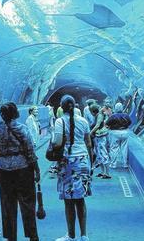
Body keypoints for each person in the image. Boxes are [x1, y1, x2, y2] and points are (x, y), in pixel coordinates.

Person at [0, 102, 40, 241]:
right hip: (23, 169)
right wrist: (36, 169)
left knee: (7, 206)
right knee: (27, 204)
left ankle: (11, 237)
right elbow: (30, 151)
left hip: (3, 170)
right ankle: (33, 236)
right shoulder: (22, 129)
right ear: (15, 113)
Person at [52, 95, 93, 241]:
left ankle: (70, 235)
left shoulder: (59, 121)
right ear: (75, 106)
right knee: (81, 199)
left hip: (67, 162)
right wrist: (91, 163)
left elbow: (57, 144)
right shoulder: (83, 121)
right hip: (83, 161)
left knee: (69, 201)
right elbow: (89, 144)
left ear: (62, 107)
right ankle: (84, 235)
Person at [106, 103, 132, 168]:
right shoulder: (126, 115)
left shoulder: (113, 116)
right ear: (122, 108)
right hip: (125, 132)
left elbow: (107, 124)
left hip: (115, 133)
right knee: (124, 148)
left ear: (115, 108)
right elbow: (130, 122)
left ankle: (113, 164)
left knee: (114, 148)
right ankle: (125, 164)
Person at [90, 104, 111, 179]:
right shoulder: (97, 115)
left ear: (92, 111)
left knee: (103, 153)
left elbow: (97, 125)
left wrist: (90, 132)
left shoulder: (99, 115)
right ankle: (103, 172)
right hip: (98, 136)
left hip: (101, 136)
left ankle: (107, 173)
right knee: (99, 154)